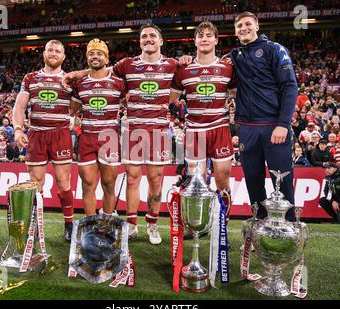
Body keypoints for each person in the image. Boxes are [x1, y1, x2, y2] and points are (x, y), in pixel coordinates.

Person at [63, 24, 179, 245]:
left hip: (159, 131)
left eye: (152, 35)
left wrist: (185, 62)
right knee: (132, 179)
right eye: (143, 36)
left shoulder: (173, 64)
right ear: (139, 41)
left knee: (155, 180)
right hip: (133, 130)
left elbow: (179, 87)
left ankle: (152, 225)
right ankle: (132, 225)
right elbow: (99, 72)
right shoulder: (126, 65)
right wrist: (79, 73)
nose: (148, 39)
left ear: (161, 41)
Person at [229, 11, 298, 220]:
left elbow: (290, 86)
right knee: (252, 181)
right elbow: (210, 62)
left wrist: (283, 124)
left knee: (282, 181)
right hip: (247, 128)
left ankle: (288, 229)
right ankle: (259, 227)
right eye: (239, 25)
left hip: (273, 126)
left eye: (248, 24)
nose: (244, 28)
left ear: (257, 26)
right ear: (235, 31)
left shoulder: (275, 49)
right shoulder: (234, 55)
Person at [171, 21, 235, 220]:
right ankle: (199, 223)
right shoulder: (184, 68)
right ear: (195, 40)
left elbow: (236, 94)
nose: (205, 38)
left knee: (223, 180)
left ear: (216, 40)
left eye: (209, 35)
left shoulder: (227, 68)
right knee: (196, 182)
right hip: (195, 130)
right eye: (201, 35)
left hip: (219, 128)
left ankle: (221, 225)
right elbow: (170, 99)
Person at [12, 40, 75, 242]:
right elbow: (19, 107)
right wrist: (18, 130)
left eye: (58, 51)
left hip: (60, 134)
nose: (54, 53)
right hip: (37, 135)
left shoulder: (70, 79)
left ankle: (69, 224)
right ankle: (34, 224)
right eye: (50, 50)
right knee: (35, 183)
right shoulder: (31, 78)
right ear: (44, 54)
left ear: (64, 56)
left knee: (64, 183)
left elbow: (81, 104)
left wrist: (77, 118)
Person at [70, 39, 126, 217]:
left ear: (107, 59)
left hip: (109, 138)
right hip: (87, 138)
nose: (95, 57)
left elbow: (131, 103)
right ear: (87, 58)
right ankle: (90, 225)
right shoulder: (80, 85)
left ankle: (107, 223)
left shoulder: (119, 83)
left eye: (99, 53)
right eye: (91, 54)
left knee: (109, 184)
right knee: (87, 184)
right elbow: (71, 110)